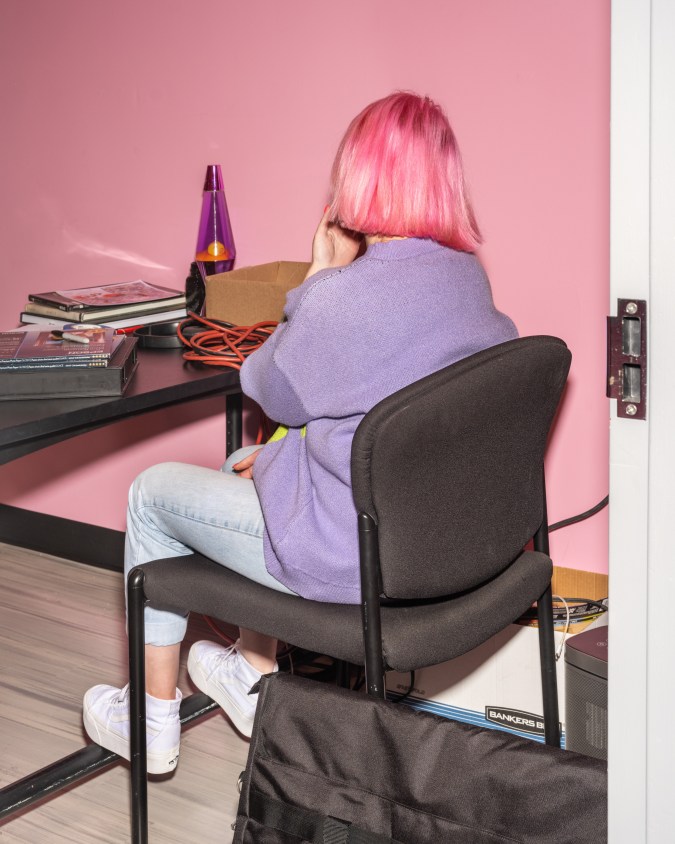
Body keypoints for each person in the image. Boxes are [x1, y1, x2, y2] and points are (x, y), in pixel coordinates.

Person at [82, 91, 518, 774]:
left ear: (357, 181)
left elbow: (266, 387)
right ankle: (252, 674)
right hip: (441, 542)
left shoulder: (346, 295)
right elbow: (374, 413)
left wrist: (318, 277)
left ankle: (149, 718)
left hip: (356, 558)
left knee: (151, 493)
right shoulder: (466, 280)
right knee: (250, 457)